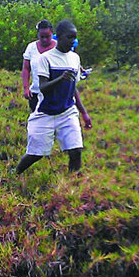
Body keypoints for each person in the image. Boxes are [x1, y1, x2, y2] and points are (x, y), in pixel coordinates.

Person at [16, 19, 92, 174]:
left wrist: (84, 113)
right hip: (46, 112)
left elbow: (73, 88)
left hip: (67, 112)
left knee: (76, 150)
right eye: (69, 37)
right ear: (59, 37)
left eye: (74, 38)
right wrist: (60, 78)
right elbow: (43, 87)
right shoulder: (46, 58)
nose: (72, 41)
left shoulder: (74, 58)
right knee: (35, 154)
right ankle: (16, 173)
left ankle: (71, 185)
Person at [21, 19, 56, 112]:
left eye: (47, 37)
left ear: (52, 34)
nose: (44, 39)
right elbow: (26, 69)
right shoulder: (31, 47)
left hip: (54, 93)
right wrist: (26, 88)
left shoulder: (58, 48)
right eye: (42, 36)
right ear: (38, 35)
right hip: (35, 93)